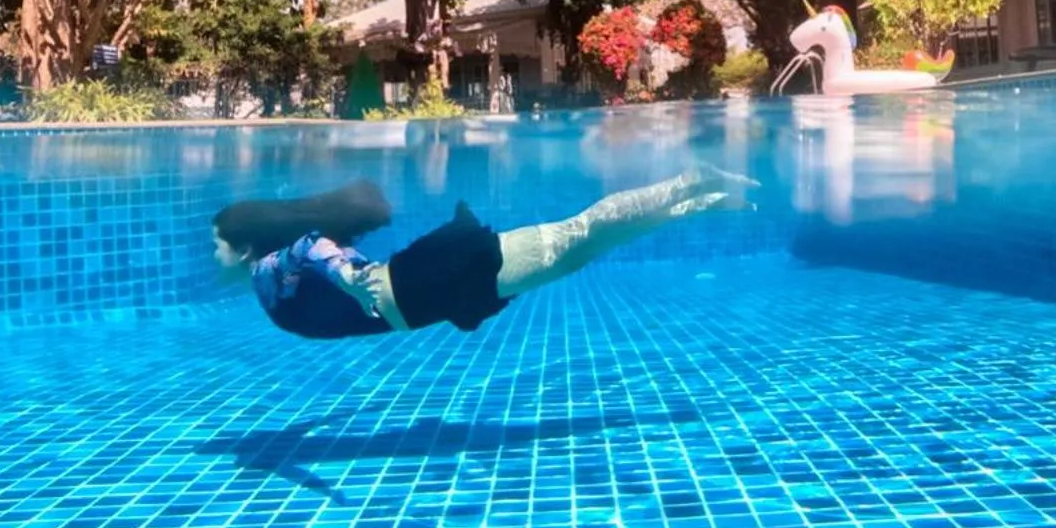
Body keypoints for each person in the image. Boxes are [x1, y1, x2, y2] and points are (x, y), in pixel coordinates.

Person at [212, 171, 745, 340]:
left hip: (431, 281)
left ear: (240, 248)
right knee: (578, 249)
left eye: (216, 242)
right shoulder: (268, 292)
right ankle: (703, 200)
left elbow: (307, 245)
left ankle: (695, 182)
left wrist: (347, 274)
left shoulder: (264, 276)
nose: (212, 253)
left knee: (577, 235)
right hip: (430, 290)